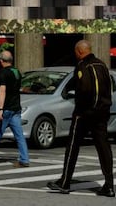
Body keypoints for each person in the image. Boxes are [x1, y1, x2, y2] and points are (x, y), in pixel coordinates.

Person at [47, 40, 114, 197]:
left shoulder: (82, 66)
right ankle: (109, 185)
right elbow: (108, 88)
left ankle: (65, 182)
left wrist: (80, 108)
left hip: (84, 114)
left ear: (79, 51)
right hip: (102, 113)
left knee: (73, 146)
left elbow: (83, 88)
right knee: (104, 148)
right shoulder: (102, 65)